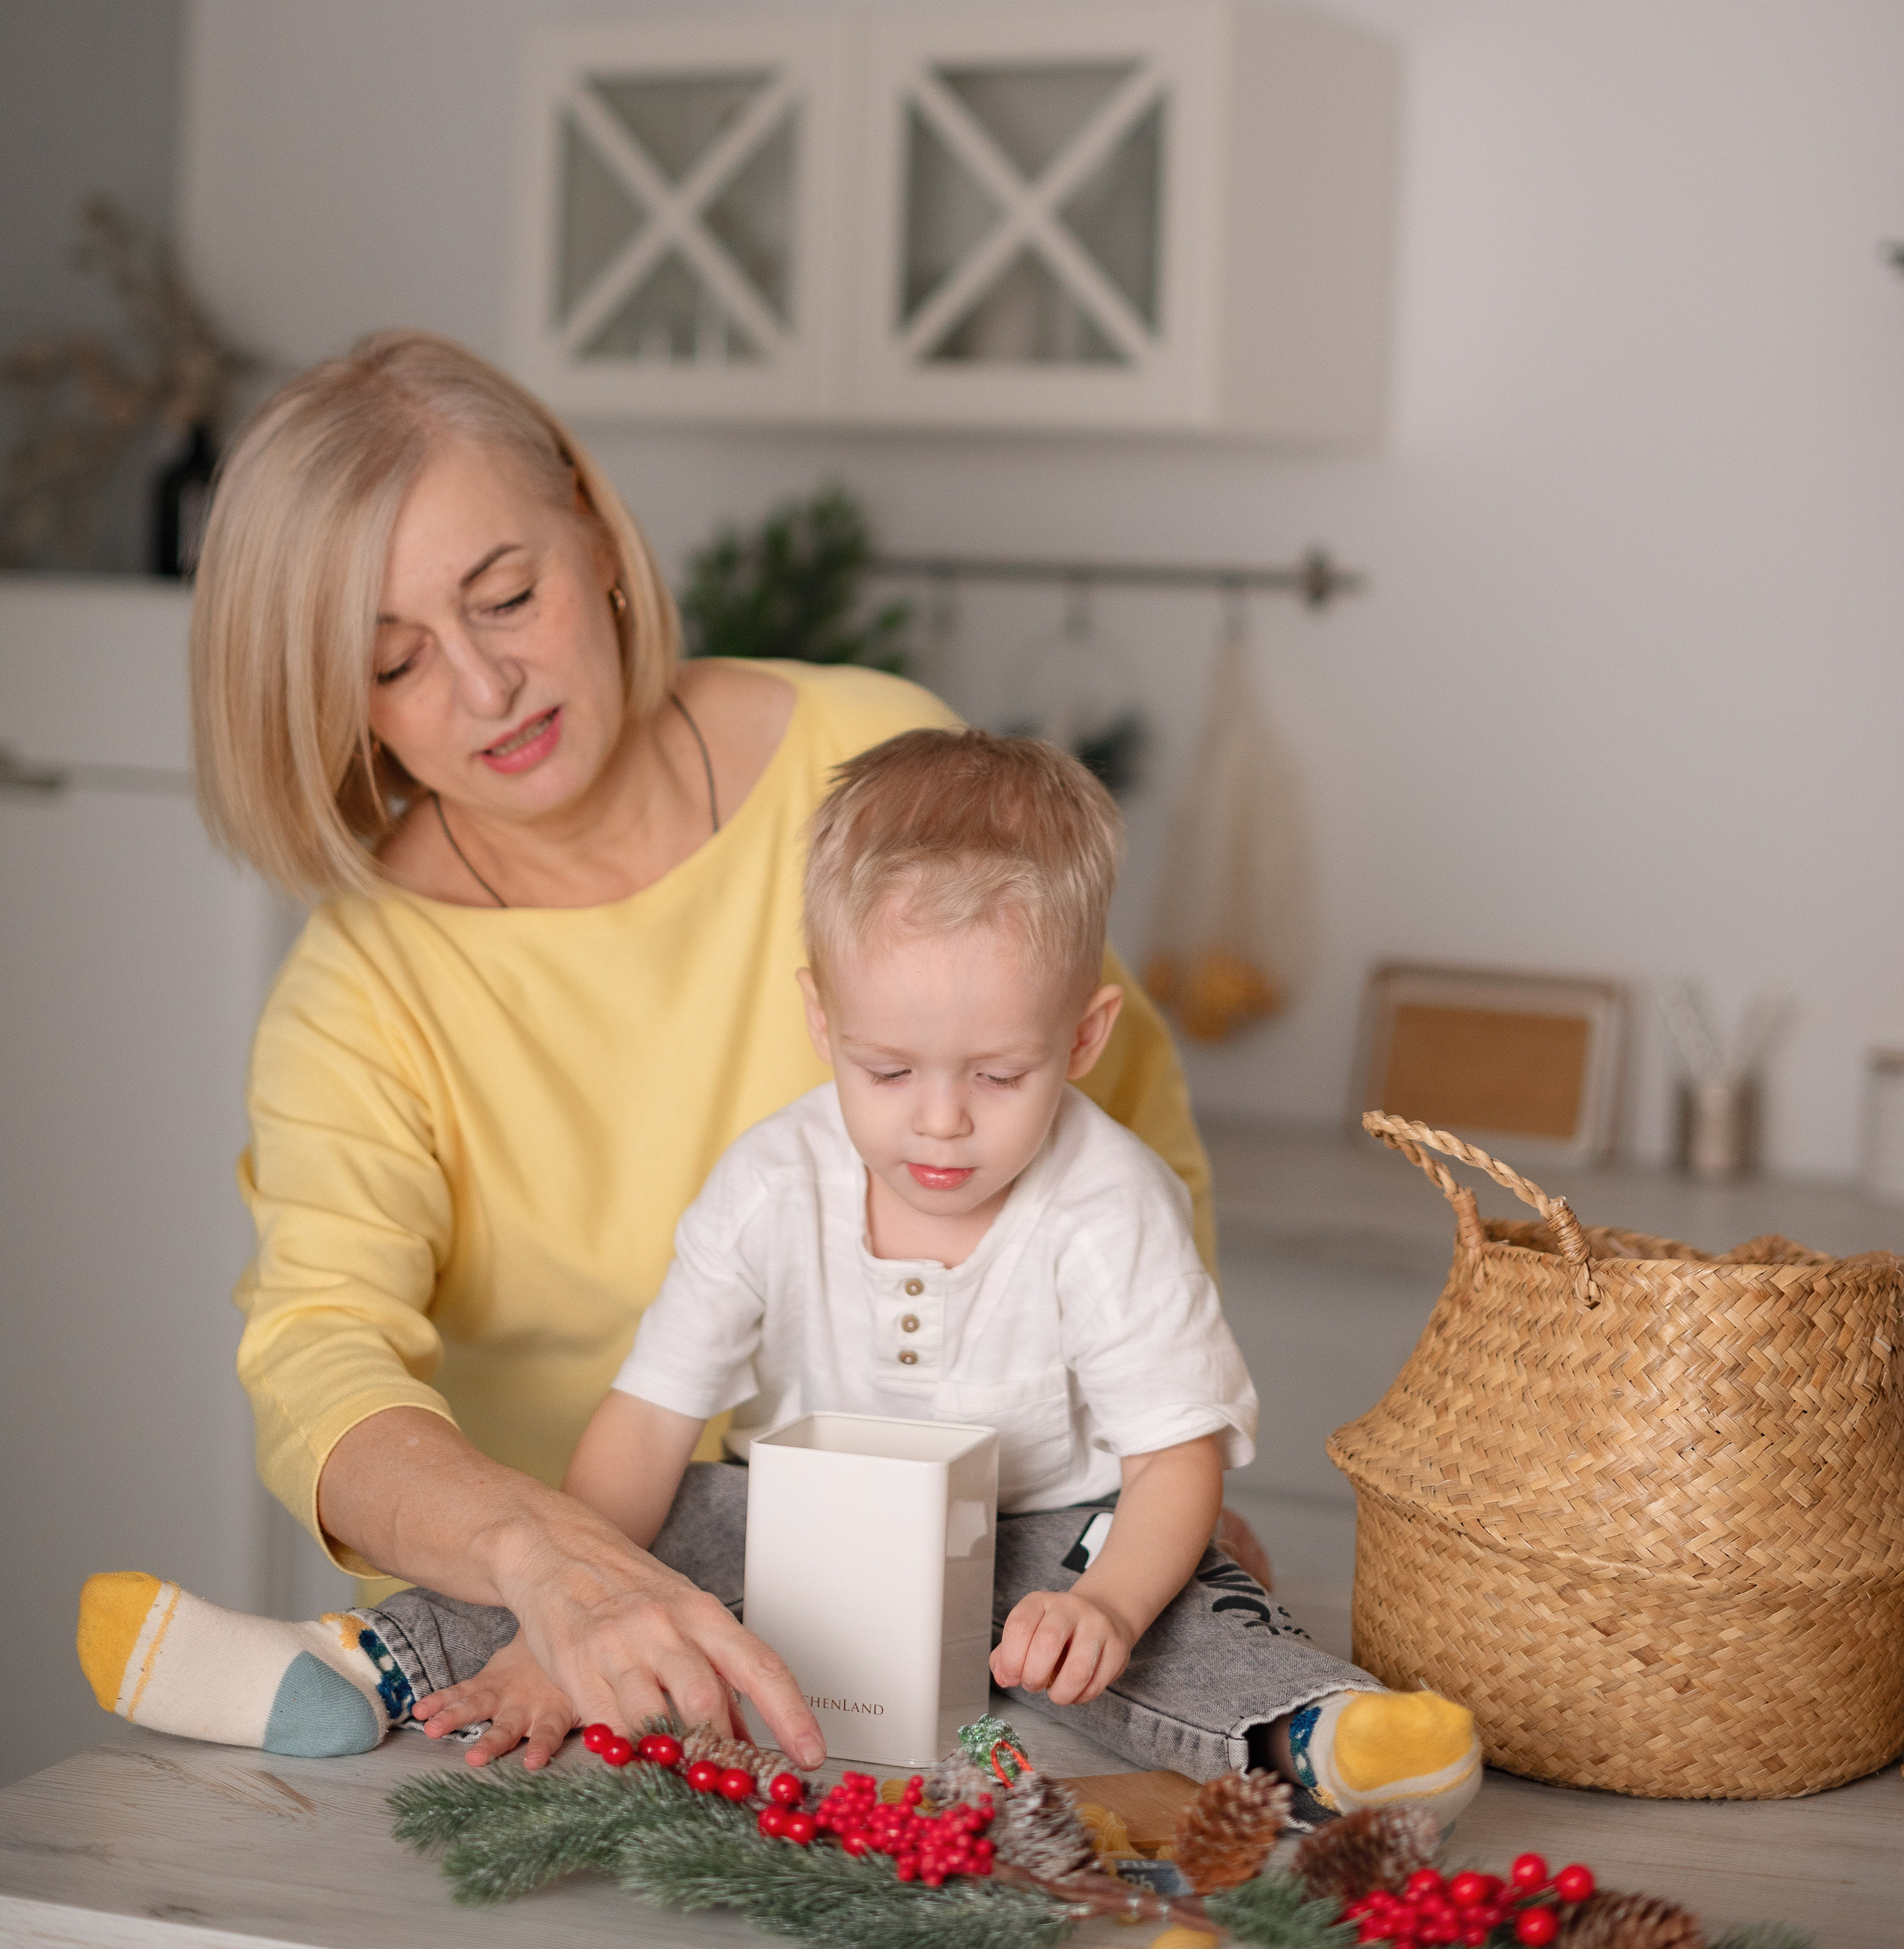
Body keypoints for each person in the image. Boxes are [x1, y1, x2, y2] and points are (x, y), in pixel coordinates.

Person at [74, 332, 1222, 1774]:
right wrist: (549, 1559)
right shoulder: (364, 989)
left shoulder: (862, 766)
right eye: (395, 661)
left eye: (507, 595)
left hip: (962, 1600)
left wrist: (1153, 1471)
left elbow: (1126, 1129)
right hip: (564, 1672)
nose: (486, 686)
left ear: (590, 525)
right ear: (338, 701)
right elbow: (322, 1362)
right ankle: (358, 1668)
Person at [87, 721, 1483, 1825]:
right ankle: (351, 1669)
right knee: (660, 1516)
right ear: (821, 1020)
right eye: (888, 1069)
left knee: (1192, 1602)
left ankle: (1327, 1728)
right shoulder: (772, 1178)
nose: (938, 1120)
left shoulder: (1108, 1200)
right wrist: (555, 1608)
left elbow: (1178, 1457)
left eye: (996, 1075)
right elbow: (646, 1420)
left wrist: (1109, 1599)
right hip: (811, 1526)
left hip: (1044, 1533)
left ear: (1081, 1037)